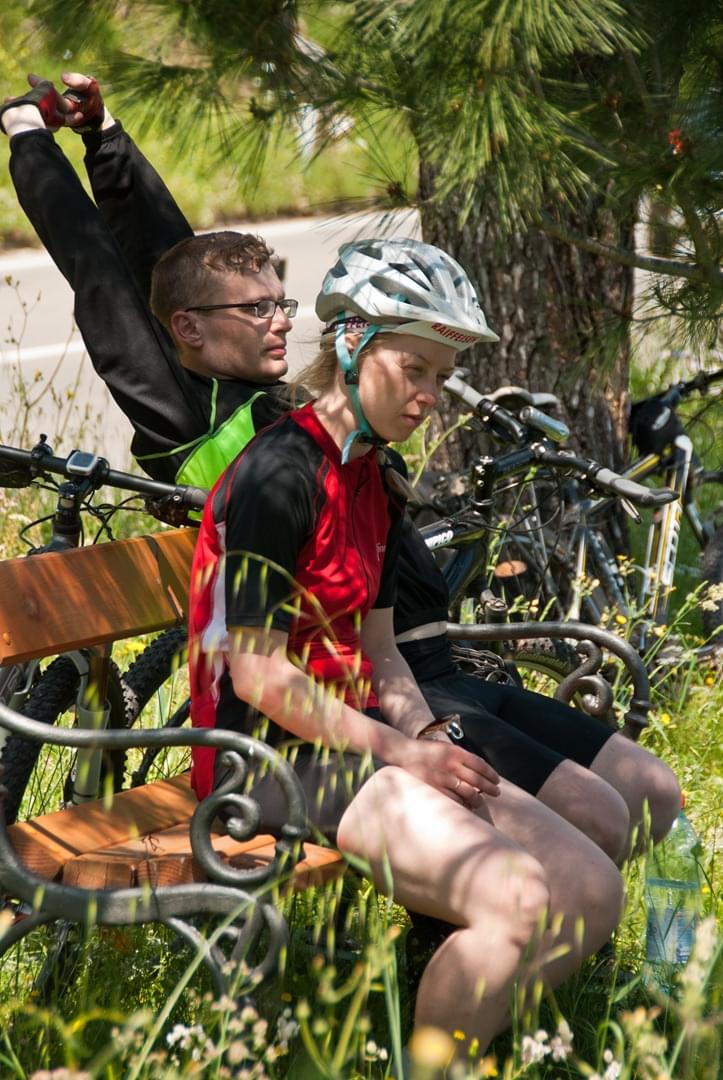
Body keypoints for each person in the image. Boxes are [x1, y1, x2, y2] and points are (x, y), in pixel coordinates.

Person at [1, 74, 680, 865]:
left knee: (644, 795)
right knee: (588, 826)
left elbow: (180, 257)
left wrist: (106, 138)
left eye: (278, 303)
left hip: (418, 666)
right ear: (188, 331)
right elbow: (102, 280)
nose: (279, 321)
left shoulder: (284, 395)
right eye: (256, 310)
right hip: (371, 693)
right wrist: (28, 136)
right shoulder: (186, 415)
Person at [186, 235, 624, 1054]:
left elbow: (380, 648)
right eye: (413, 368)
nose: (429, 396)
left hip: (357, 744)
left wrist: (429, 737)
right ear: (352, 345)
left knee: (589, 887)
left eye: (441, 376)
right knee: (518, 899)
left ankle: (470, 1042)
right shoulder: (279, 476)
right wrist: (402, 752)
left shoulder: (371, 472)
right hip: (265, 759)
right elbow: (257, 674)